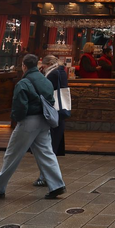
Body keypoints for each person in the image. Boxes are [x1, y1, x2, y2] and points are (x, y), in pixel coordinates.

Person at [0, 54, 66, 200]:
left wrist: (17, 119)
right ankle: (57, 184)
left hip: (29, 121)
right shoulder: (45, 80)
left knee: (13, 154)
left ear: (24, 66)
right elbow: (51, 99)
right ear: (38, 64)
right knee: (46, 152)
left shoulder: (23, 83)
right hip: (44, 121)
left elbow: (20, 106)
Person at [33, 55, 70, 187]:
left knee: (48, 146)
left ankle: (46, 177)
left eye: (42, 66)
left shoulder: (53, 74)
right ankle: (48, 176)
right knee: (50, 146)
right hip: (58, 114)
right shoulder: (61, 72)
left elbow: (45, 91)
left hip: (52, 113)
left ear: (47, 64)